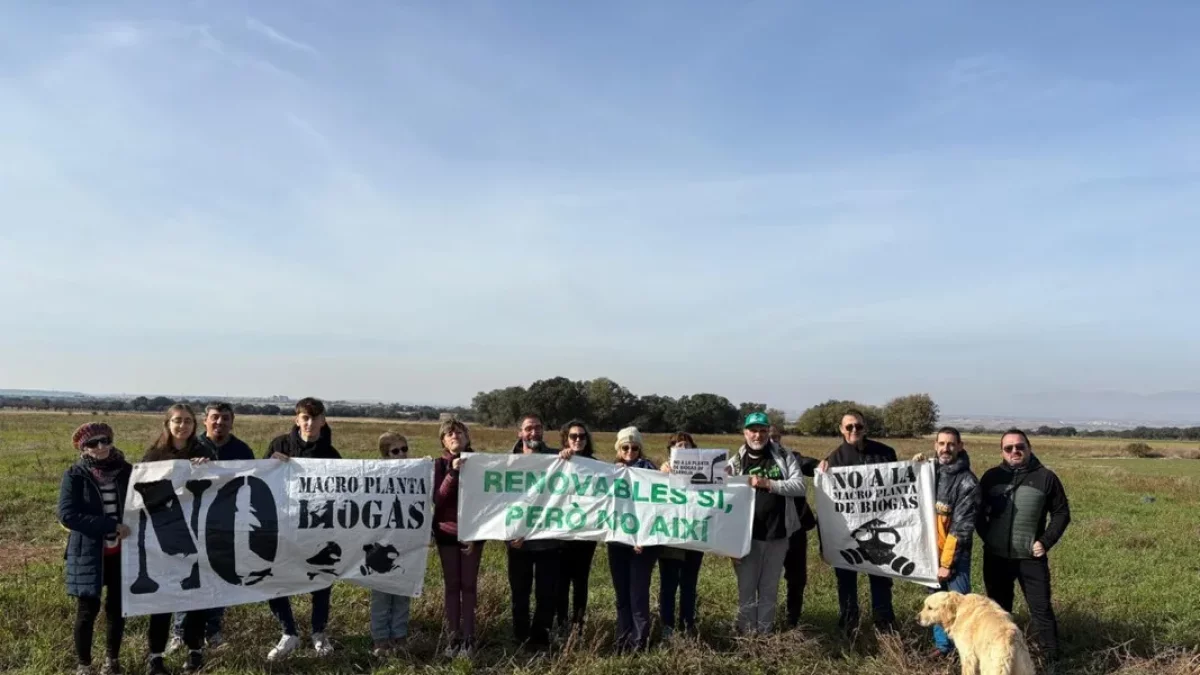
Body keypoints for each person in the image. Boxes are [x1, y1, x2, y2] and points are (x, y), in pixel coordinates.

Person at [978, 429, 1071, 664]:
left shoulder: (1045, 477)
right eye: (1008, 448)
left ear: (1029, 448)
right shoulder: (991, 477)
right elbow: (977, 511)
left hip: (1031, 558)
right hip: (996, 557)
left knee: (1041, 610)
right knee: (998, 612)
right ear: (1002, 452)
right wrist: (987, 536)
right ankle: (1001, 658)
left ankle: (1052, 659)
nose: (1014, 451)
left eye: (1020, 446)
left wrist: (1045, 541)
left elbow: (1061, 513)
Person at [167, 401, 253, 652]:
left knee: (219, 577)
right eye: (215, 417)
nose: (219, 422)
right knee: (187, 575)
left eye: (225, 418)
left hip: (226, 525)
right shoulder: (192, 446)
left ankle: (213, 631)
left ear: (232, 421)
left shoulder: (243, 450)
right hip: (190, 524)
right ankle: (180, 632)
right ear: (205, 420)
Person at [262, 397, 342, 662]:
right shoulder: (279, 445)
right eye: (304, 418)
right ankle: (289, 632)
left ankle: (319, 632)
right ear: (297, 419)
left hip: (317, 530)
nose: (309, 423)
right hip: (283, 526)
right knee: (277, 579)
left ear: (323, 420)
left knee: (321, 581)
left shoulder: (331, 455)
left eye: (314, 417)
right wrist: (270, 464)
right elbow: (260, 481)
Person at [140, 405, 214, 675]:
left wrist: (207, 469)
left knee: (195, 596)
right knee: (162, 597)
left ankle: (195, 651)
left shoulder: (204, 453)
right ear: (167, 423)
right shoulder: (153, 455)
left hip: (198, 534)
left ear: (194, 425)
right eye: (177, 421)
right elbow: (142, 494)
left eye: (187, 421)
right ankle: (155, 657)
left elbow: (218, 489)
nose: (182, 426)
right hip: (163, 535)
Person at [59, 423, 133, 675]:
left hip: (121, 553)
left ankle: (112, 662)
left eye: (105, 440)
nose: (100, 447)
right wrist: (110, 525)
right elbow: (68, 515)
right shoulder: (74, 475)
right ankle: (84, 665)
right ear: (83, 448)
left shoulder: (127, 471)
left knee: (116, 608)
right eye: (92, 443)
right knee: (87, 611)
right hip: (88, 553)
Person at [818, 409, 899, 634]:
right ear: (841, 430)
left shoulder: (885, 453)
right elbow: (826, 505)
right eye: (849, 427)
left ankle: (885, 624)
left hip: (878, 528)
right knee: (846, 577)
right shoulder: (833, 459)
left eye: (859, 426)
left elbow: (899, 489)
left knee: (881, 577)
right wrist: (825, 542)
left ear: (865, 428)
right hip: (847, 531)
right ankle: (849, 622)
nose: (854, 430)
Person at [728, 412, 808, 634]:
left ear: (768, 432)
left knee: (768, 588)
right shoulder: (735, 461)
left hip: (778, 533)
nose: (758, 435)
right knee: (746, 588)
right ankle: (745, 633)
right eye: (753, 430)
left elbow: (799, 486)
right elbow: (715, 486)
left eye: (762, 430)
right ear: (745, 433)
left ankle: (764, 633)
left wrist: (768, 483)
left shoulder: (783, 455)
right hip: (747, 536)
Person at [911, 427, 979, 656]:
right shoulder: (932, 472)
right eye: (941, 443)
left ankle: (964, 652)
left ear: (960, 446)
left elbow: (961, 529)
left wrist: (946, 563)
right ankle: (942, 649)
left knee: (958, 607)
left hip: (954, 558)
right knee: (935, 605)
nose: (945, 448)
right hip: (931, 553)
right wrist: (915, 469)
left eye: (951, 444)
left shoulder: (967, 482)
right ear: (935, 445)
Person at [506, 414, 562, 649]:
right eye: (529, 428)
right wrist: (508, 535)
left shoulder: (557, 458)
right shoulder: (506, 463)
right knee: (520, 592)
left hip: (548, 541)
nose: (534, 433)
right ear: (520, 433)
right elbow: (497, 502)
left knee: (546, 594)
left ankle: (540, 638)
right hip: (517, 542)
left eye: (538, 428)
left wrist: (570, 457)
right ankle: (520, 635)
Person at [607, 427, 662, 652]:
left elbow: (657, 508)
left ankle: (640, 642)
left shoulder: (650, 470)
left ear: (640, 448)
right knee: (621, 595)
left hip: (642, 545)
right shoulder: (609, 470)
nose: (630, 451)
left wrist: (644, 537)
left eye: (635, 447)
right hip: (617, 542)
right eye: (625, 447)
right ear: (618, 449)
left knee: (638, 595)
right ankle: (623, 640)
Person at [433, 418, 483, 659]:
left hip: (473, 535)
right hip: (447, 532)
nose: (455, 436)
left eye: (460, 432)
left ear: (467, 437)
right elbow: (438, 499)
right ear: (443, 440)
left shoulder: (481, 463)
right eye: (450, 434)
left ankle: (470, 638)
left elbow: (488, 501)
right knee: (452, 586)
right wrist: (453, 471)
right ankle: (453, 637)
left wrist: (476, 533)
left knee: (469, 586)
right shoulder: (438, 465)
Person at [770, 425, 819, 628]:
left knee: (797, 577)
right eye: (767, 436)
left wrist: (823, 465)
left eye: (775, 437)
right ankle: (765, 619)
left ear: (780, 438)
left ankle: (792, 619)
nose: (771, 441)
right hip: (765, 530)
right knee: (765, 577)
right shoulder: (746, 459)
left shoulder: (791, 458)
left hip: (795, 527)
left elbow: (810, 465)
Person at [656, 431, 705, 638]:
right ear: (670, 450)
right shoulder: (663, 470)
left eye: (686, 445)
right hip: (671, 537)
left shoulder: (705, 470)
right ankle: (666, 625)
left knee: (689, 583)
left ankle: (687, 624)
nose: (682, 448)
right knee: (668, 583)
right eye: (677, 445)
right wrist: (661, 473)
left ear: (694, 449)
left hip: (695, 535)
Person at [370, 432, 414, 656]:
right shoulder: (374, 474)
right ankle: (380, 639)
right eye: (395, 451)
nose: (402, 454)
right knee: (381, 594)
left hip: (407, 543)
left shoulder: (416, 473)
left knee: (402, 594)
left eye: (404, 448)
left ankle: (399, 635)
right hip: (380, 545)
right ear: (385, 455)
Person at [554, 419, 598, 634]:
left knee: (581, 581)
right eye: (573, 436)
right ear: (566, 439)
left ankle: (578, 625)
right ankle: (561, 623)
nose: (578, 440)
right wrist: (560, 457)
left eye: (582, 436)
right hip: (562, 533)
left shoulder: (596, 465)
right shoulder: (558, 461)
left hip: (586, 533)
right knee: (561, 582)